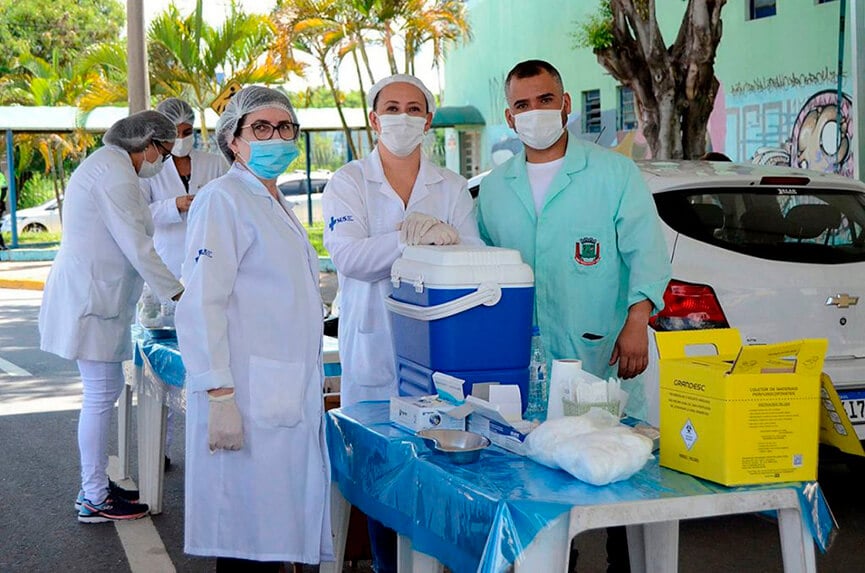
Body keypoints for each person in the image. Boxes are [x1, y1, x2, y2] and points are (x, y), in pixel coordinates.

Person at [475, 60, 672, 573]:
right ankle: (554, 562)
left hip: (601, 351)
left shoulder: (613, 172)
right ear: (509, 115)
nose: (535, 112)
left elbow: (647, 254)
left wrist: (636, 323)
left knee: (617, 470)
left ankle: (622, 564)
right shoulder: (496, 188)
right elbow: (485, 266)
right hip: (526, 359)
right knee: (539, 474)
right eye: (522, 104)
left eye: (545, 100)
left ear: (565, 104)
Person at [321, 73, 481, 573]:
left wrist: (443, 242)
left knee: (434, 473)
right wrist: (414, 239)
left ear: (428, 120)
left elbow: (473, 256)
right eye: (391, 108)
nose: (403, 117)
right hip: (373, 348)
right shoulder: (348, 182)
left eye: (415, 108)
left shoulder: (451, 186)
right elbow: (350, 258)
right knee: (380, 476)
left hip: (439, 350)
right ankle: (385, 566)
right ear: (373, 120)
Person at [175, 85, 332, 571]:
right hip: (243, 395)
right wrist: (218, 393)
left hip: (280, 391)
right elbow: (202, 301)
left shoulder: (272, 199)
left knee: (272, 540)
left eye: (285, 127)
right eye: (260, 127)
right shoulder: (223, 199)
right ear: (233, 139)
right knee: (248, 549)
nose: (276, 137)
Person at [38, 110, 184, 523]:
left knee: (103, 394)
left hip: (97, 298)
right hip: (91, 302)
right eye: (164, 152)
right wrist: (180, 295)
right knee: (101, 396)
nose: (164, 162)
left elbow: (138, 229)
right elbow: (138, 246)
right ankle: (93, 497)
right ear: (147, 143)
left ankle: (96, 487)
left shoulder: (114, 169)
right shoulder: (115, 173)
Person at [140, 97, 228, 470]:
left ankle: (212, 440)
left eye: (188, 132)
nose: (182, 139)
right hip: (167, 268)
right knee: (165, 366)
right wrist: (174, 204)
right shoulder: (149, 170)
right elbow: (139, 214)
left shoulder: (213, 162)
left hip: (209, 267)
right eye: (174, 134)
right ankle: (158, 445)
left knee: (207, 359)